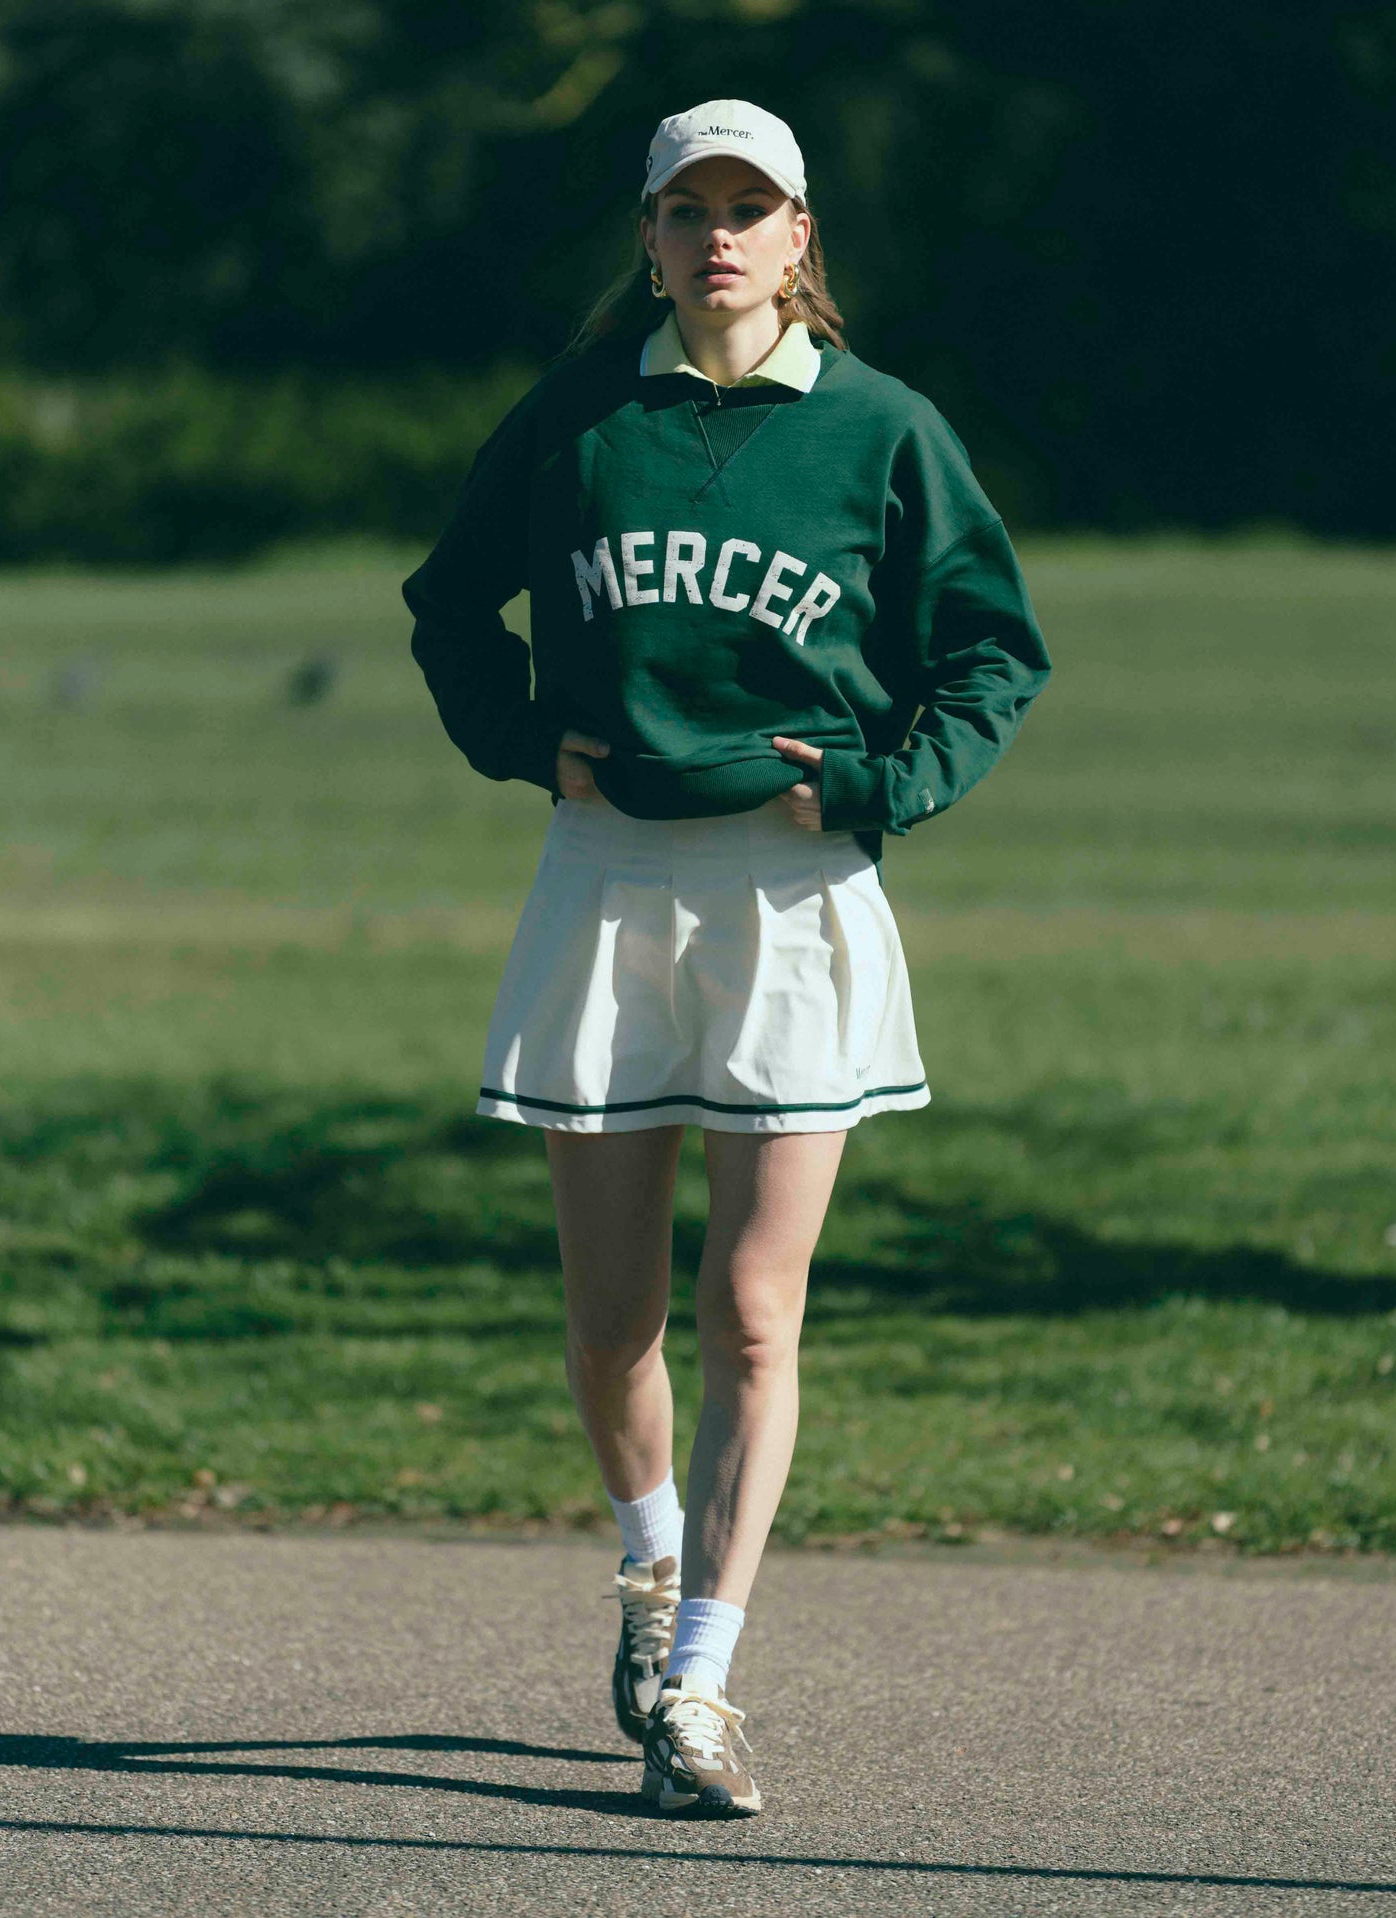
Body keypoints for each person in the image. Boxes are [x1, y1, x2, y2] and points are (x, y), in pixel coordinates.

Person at [401, 97, 1051, 1819]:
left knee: (752, 1314)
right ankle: (643, 1564)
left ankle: (699, 1679)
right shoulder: (579, 415)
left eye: (748, 210)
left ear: (799, 238)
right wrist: (528, 741)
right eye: (687, 209)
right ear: (647, 236)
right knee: (612, 1323)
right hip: (607, 876)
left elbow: (992, 652)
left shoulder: (885, 432)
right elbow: (448, 601)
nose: (716, 240)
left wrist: (883, 782)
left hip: (788, 891)